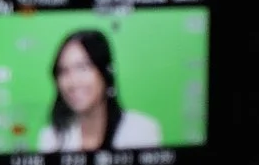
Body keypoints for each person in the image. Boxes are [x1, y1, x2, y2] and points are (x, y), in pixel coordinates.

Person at [35, 27, 163, 152]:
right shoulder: (51, 138)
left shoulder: (141, 131)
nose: (73, 81)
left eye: (82, 67)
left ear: (105, 73)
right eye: (64, 71)